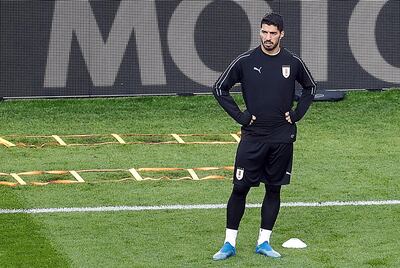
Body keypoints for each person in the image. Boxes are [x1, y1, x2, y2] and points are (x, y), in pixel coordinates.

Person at [212, 12, 316, 260]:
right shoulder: (246, 60)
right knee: (240, 188)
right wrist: (241, 117)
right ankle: (229, 244)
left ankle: (264, 242)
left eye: (272, 33)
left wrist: (297, 113)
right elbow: (219, 88)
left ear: (281, 34)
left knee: (274, 190)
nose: (267, 38)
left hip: (282, 138)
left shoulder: (293, 62)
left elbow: (311, 87)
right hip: (253, 138)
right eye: (264, 32)